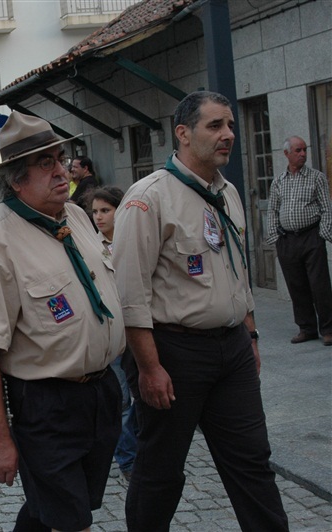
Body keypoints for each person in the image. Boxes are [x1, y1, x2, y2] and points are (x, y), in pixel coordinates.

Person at [113, 91, 288, 532]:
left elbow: (237, 272)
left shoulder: (227, 193)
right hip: (174, 353)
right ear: (183, 134)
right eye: (215, 126)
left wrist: (249, 336)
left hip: (231, 350)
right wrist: (149, 367)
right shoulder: (148, 198)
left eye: (230, 125)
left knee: (252, 461)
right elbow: (130, 295)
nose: (228, 135)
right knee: (160, 469)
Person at [0, 111, 124, 531]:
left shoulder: (77, 216)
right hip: (46, 404)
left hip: (101, 394)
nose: (62, 170)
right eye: (46, 163)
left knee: (50, 511)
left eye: (61, 157)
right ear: (16, 180)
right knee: (71, 520)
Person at [91, 185, 138, 481]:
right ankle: (127, 461)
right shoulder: (90, 246)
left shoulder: (132, 241)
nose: (98, 217)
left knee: (145, 397)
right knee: (121, 400)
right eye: (94, 211)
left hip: (141, 327)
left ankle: (137, 448)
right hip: (113, 333)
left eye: (105, 210)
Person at [266, 135, 332, 346]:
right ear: (286, 154)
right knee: (297, 286)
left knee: (319, 285)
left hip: (311, 237)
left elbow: (326, 208)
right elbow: (272, 211)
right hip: (288, 240)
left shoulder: (316, 177)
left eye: (304, 150)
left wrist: (323, 234)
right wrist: (276, 239)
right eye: (298, 150)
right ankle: (307, 328)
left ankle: (329, 329)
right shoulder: (278, 181)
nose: (303, 154)